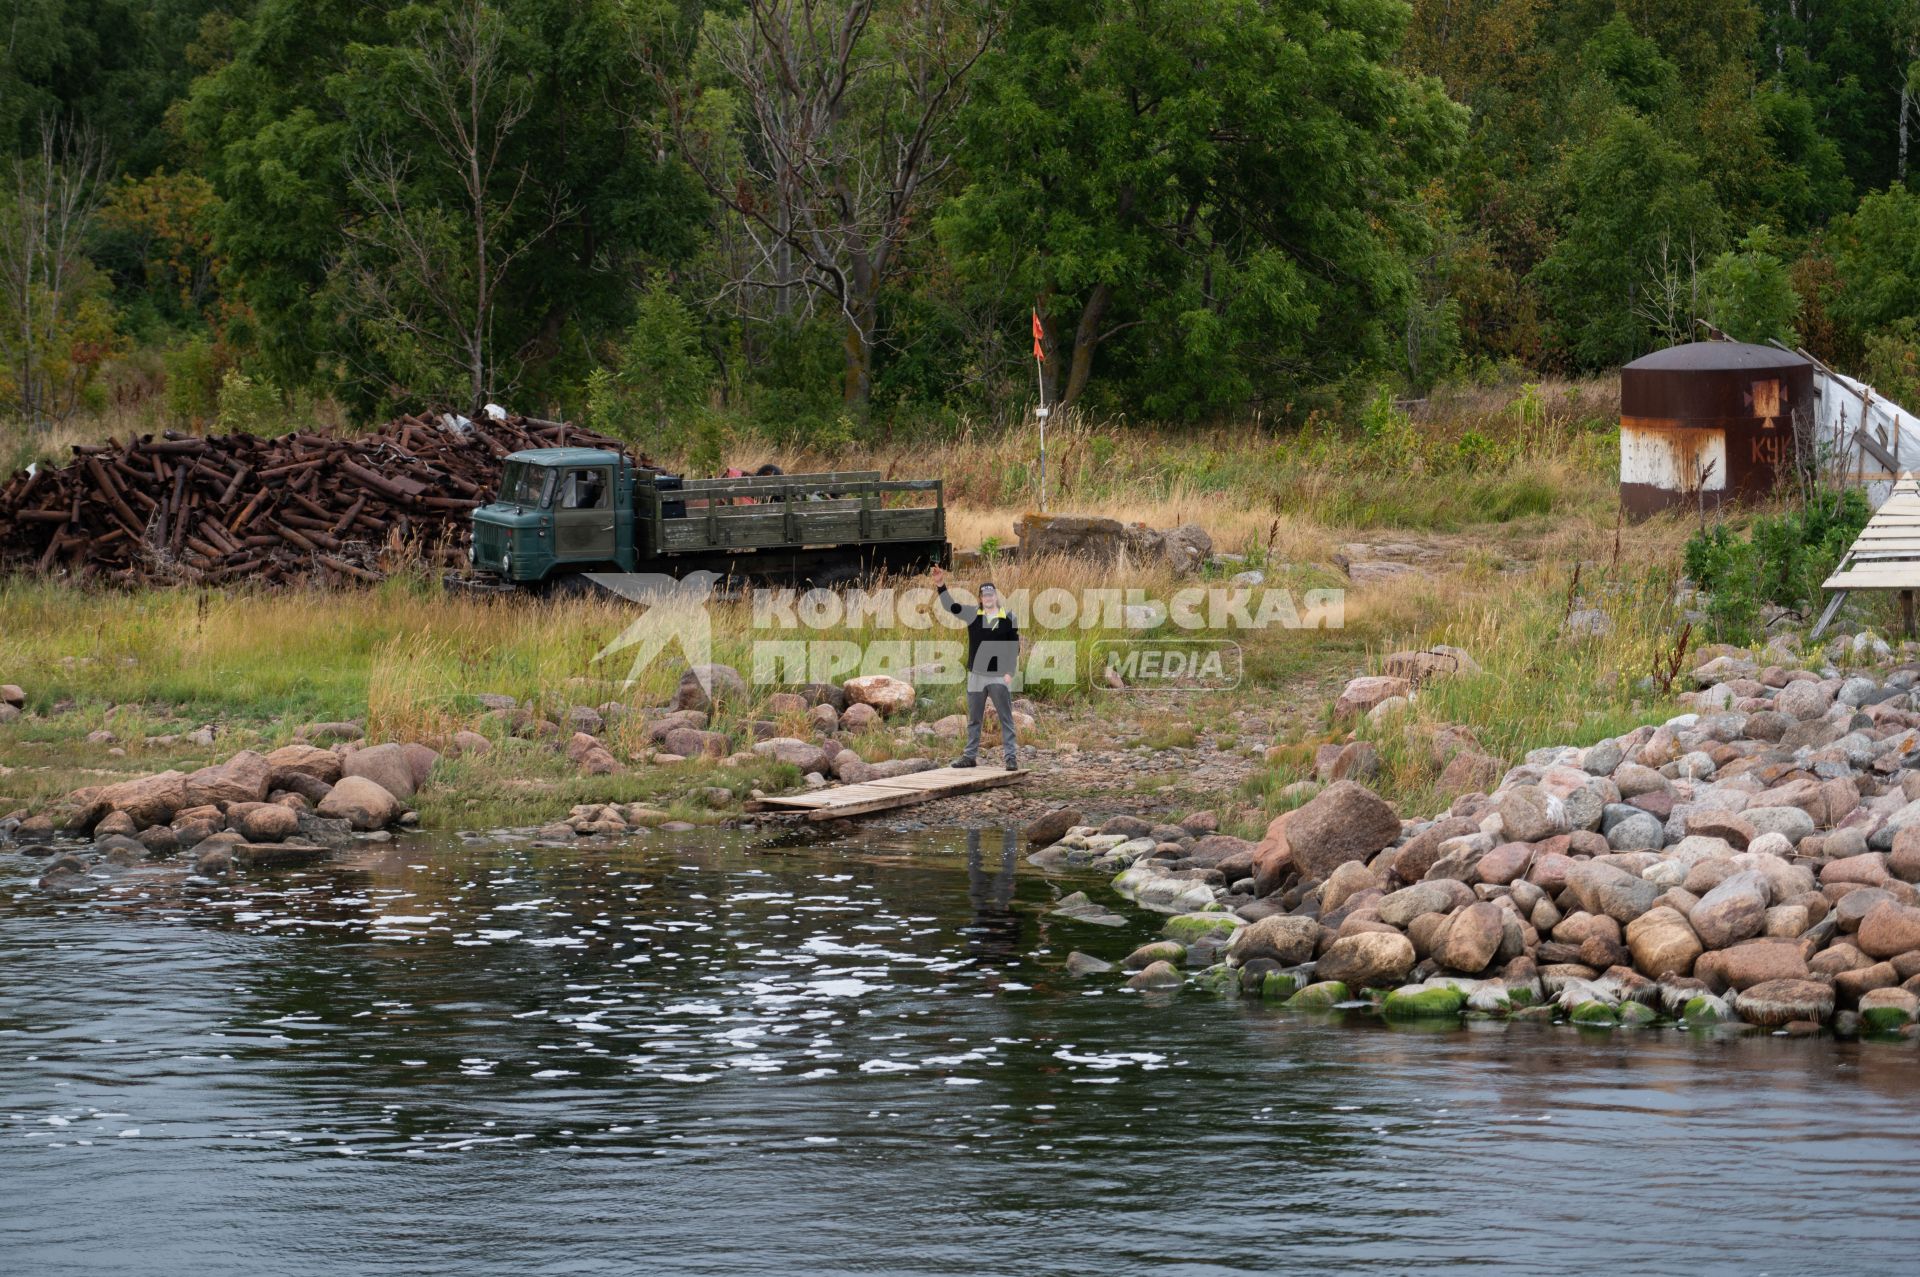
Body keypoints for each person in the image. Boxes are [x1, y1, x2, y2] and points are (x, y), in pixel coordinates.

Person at [933, 563, 1020, 770]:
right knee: (974, 719)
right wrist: (941, 585)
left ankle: (1010, 758)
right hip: (976, 676)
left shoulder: (1008, 618)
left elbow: (1013, 647)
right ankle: (970, 756)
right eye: (984, 595)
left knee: (1006, 719)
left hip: (998, 676)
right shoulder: (973, 614)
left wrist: (1010, 672)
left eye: (991, 595)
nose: (988, 598)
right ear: (980, 598)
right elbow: (950, 607)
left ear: (996, 597)